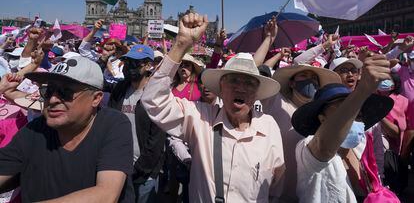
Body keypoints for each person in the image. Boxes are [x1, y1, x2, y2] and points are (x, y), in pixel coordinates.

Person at [140, 12, 285, 202]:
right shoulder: (200, 117)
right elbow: (153, 100)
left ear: (257, 93)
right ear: (220, 89)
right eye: (233, 80)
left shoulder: (269, 127)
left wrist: (268, 39)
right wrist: (181, 44)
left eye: (249, 83)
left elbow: (275, 187)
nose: (241, 87)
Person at [0, 56, 134, 202]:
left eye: (65, 92)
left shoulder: (113, 124)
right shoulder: (35, 129)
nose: (52, 99)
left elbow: (106, 195)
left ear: (96, 98)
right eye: (48, 91)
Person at [292, 54, 396, 202]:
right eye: (342, 109)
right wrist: (362, 91)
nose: (352, 118)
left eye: (357, 114)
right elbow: (324, 147)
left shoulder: (360, 147)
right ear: (322, 118)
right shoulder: (307, 148)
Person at [262, 64, 341, 202]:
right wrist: (269, 41)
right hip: (272, 192)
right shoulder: (275, 101)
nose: (310, 81)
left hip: (306, 195)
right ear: (292, 83)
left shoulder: (322, 115)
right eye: (304, 76)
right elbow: (254, 70)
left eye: (314, 79)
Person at [108, 45, 165, 203]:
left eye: (135, 63)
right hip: (118, 166)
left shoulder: (156, 95)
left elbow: (156, 141)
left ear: (148, 65)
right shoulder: (120, 89)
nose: (129, 67)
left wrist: (139, 169)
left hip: (144, 174)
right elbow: (110, 124)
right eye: (127, 62)